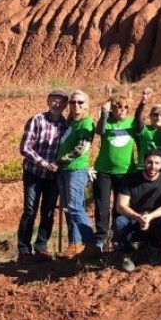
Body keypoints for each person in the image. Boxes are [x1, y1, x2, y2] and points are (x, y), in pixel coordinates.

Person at [17, 90, 67, 263]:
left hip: (53, 177)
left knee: (48, 212)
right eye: (54, 100)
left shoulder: (66, 124)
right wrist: (45, 164)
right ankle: (24, 250)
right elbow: (25, 148)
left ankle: (41, 248)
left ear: (65, 105)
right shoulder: (37, 119)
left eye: (61, 102)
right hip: (34, 173)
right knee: (30, 211)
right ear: (48, 101)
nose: (57, 104)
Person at [112, 151, 161, 272]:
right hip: (133, 219)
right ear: (144, 163)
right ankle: (128, 252)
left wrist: (149, 217)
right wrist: (138, 217)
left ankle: (154, 248)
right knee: (119, 222)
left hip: (154, 220)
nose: (153, 166)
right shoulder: (130, 179)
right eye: (149, 162)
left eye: (157, 163)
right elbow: (120, 206)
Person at [93, 95, 137, 252]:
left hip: (125, 171)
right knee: (102, 205)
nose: (122, 110)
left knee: (120, 207)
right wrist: (104, 114)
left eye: (125, 107)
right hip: (104, 171)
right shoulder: (107, 122)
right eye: (118, 106)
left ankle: (118, 237)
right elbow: (100, 131)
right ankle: (100, 239)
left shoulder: (132, 123)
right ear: (112, 109)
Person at [57, 90, 96, 258]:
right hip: (65, 170)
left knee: (75, 207)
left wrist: (60, 160)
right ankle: (74, 244)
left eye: (80, 102)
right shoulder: (71, 122)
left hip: (76, 169)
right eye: (73, 102)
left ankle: (91, 244)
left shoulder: (86, 123)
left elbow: (82, 149)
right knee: (68, 208)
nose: (76, 105)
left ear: (86, 104)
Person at [132, 88, 161, 171]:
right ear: (150, 116)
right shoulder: (144, 130)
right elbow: (138, 118)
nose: (159, 118)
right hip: (143, 168)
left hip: (160, 169)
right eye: (155, 115)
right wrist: (143, 103)